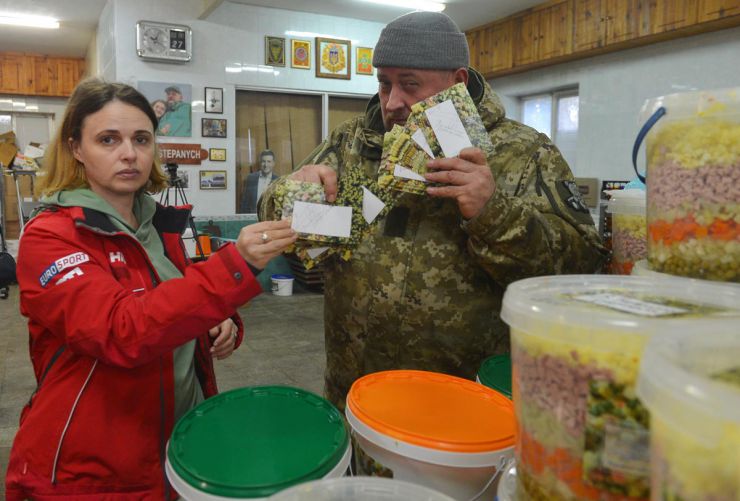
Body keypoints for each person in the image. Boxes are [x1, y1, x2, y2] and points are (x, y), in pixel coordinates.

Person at [259, 12, 606, 411]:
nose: (392, 102)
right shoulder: (351, 141)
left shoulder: (525, 152)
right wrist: (289, 193)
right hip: (354, 391)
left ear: (457, 82)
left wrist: (492, 212)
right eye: (384, 83)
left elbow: (582, 266)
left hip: (461, 403)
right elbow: (270, 217)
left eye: (409, 84)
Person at [5, 78, 297, 500]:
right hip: (98, 464)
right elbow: (121, 330)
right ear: (75, 148)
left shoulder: (160, 225)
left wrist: (221, 322)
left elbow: (180, 300)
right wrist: (236, 266)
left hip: (179, 438)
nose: (129, 153)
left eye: (141, 139)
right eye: (108, 139)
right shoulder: (50, 237)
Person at [241, 149, 279, 213]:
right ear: (260, 163)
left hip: (270, 219)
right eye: (263, 161)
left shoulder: (278, 180)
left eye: (269, 161)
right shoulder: (251, 178)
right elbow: (245, 203)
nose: (266, 165)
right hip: (253, 217)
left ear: (273, 163)